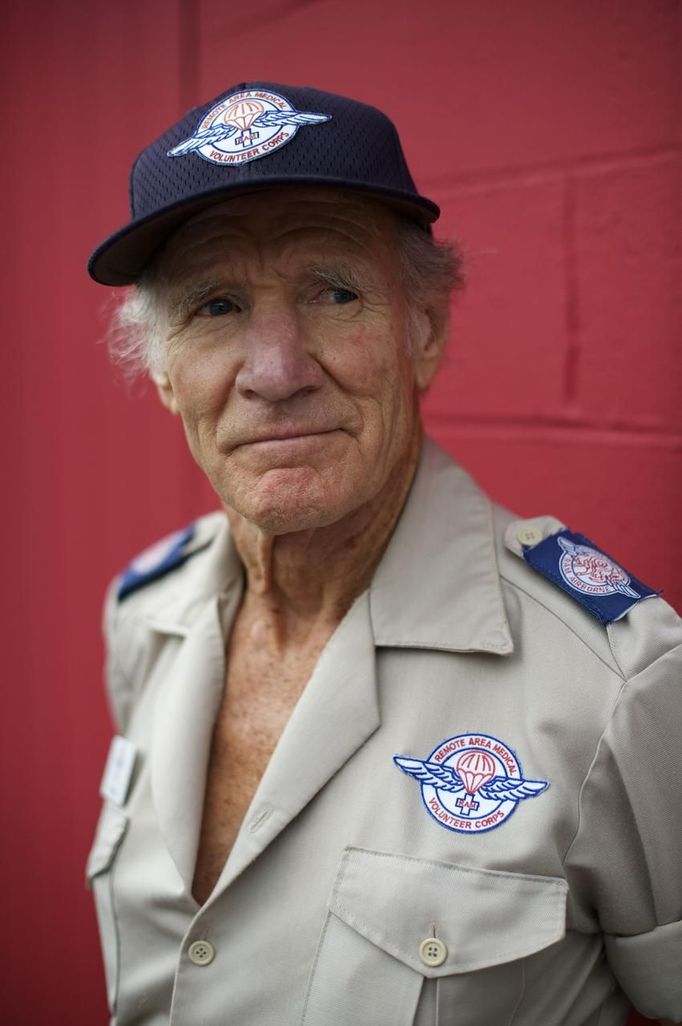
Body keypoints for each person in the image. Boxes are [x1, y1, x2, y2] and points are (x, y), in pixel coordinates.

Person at [86, 82, 682, 1026]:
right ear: (163, 369)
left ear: (425, 331)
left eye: (333, 291)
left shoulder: (621, 682)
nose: (276, 371)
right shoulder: (143, 616)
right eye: (215, 305)